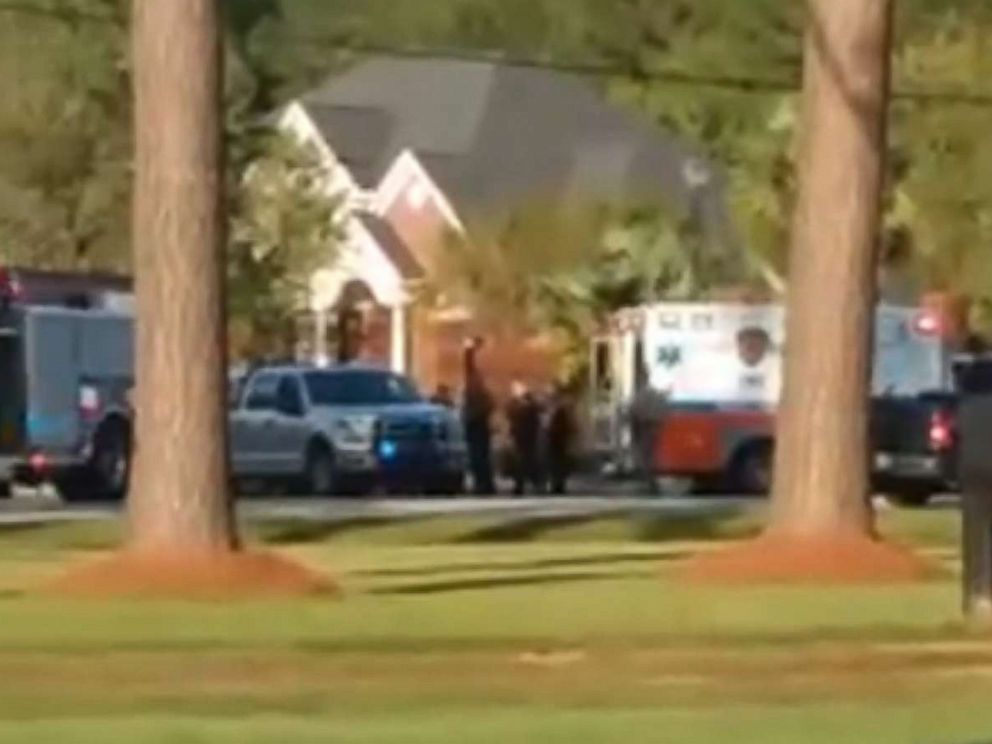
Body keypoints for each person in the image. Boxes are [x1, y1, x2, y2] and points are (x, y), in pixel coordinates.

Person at [461, 337, 496, 495]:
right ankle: (484, 483)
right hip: (477, 424)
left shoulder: (477, 392)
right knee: (480, 456)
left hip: (476, 424)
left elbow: (469, 370)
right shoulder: (481, 394)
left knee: (478, 456)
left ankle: (483, 484)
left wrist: (469, 350)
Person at [628, 365, 668, 495]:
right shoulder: (654, 394)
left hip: (644, 428)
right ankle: (651, 483)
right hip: (654, 427)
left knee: (645, 458)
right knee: (651, 457)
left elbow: (633, 412)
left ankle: (650, 484)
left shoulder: (640, 395)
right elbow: (663, 410)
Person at [506, 381, 544, 495]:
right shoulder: (526, 406)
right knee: (526, 461)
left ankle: (523, 484)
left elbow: (516, 418)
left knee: (524, 461)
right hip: (525, 438)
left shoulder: (527, 407)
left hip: (524, 437)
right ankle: (530, 483)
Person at [545, 384, 576, 495]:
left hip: (558, 438)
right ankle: (556, 484)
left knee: (557, 462)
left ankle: (558, 484)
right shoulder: (552, 407)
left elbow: (566, 424)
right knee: (554, 462)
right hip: (552, 438)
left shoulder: (560, 408)